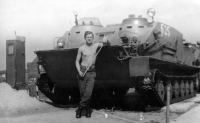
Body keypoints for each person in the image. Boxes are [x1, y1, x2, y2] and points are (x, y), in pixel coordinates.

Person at [75, 31, 110, 118]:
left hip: (91, 72)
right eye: (87, 37)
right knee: (83, 93)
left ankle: (79, 108)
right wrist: (79, 71)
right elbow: (76, 61)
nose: (89, 38)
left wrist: (107, 40)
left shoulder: (96, 45)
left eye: (91, 37)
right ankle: (87, 109)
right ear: (85, 38)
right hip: (83, 71)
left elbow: (107, 43)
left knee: (89, 93)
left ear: (93, 38)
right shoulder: (81, 48)